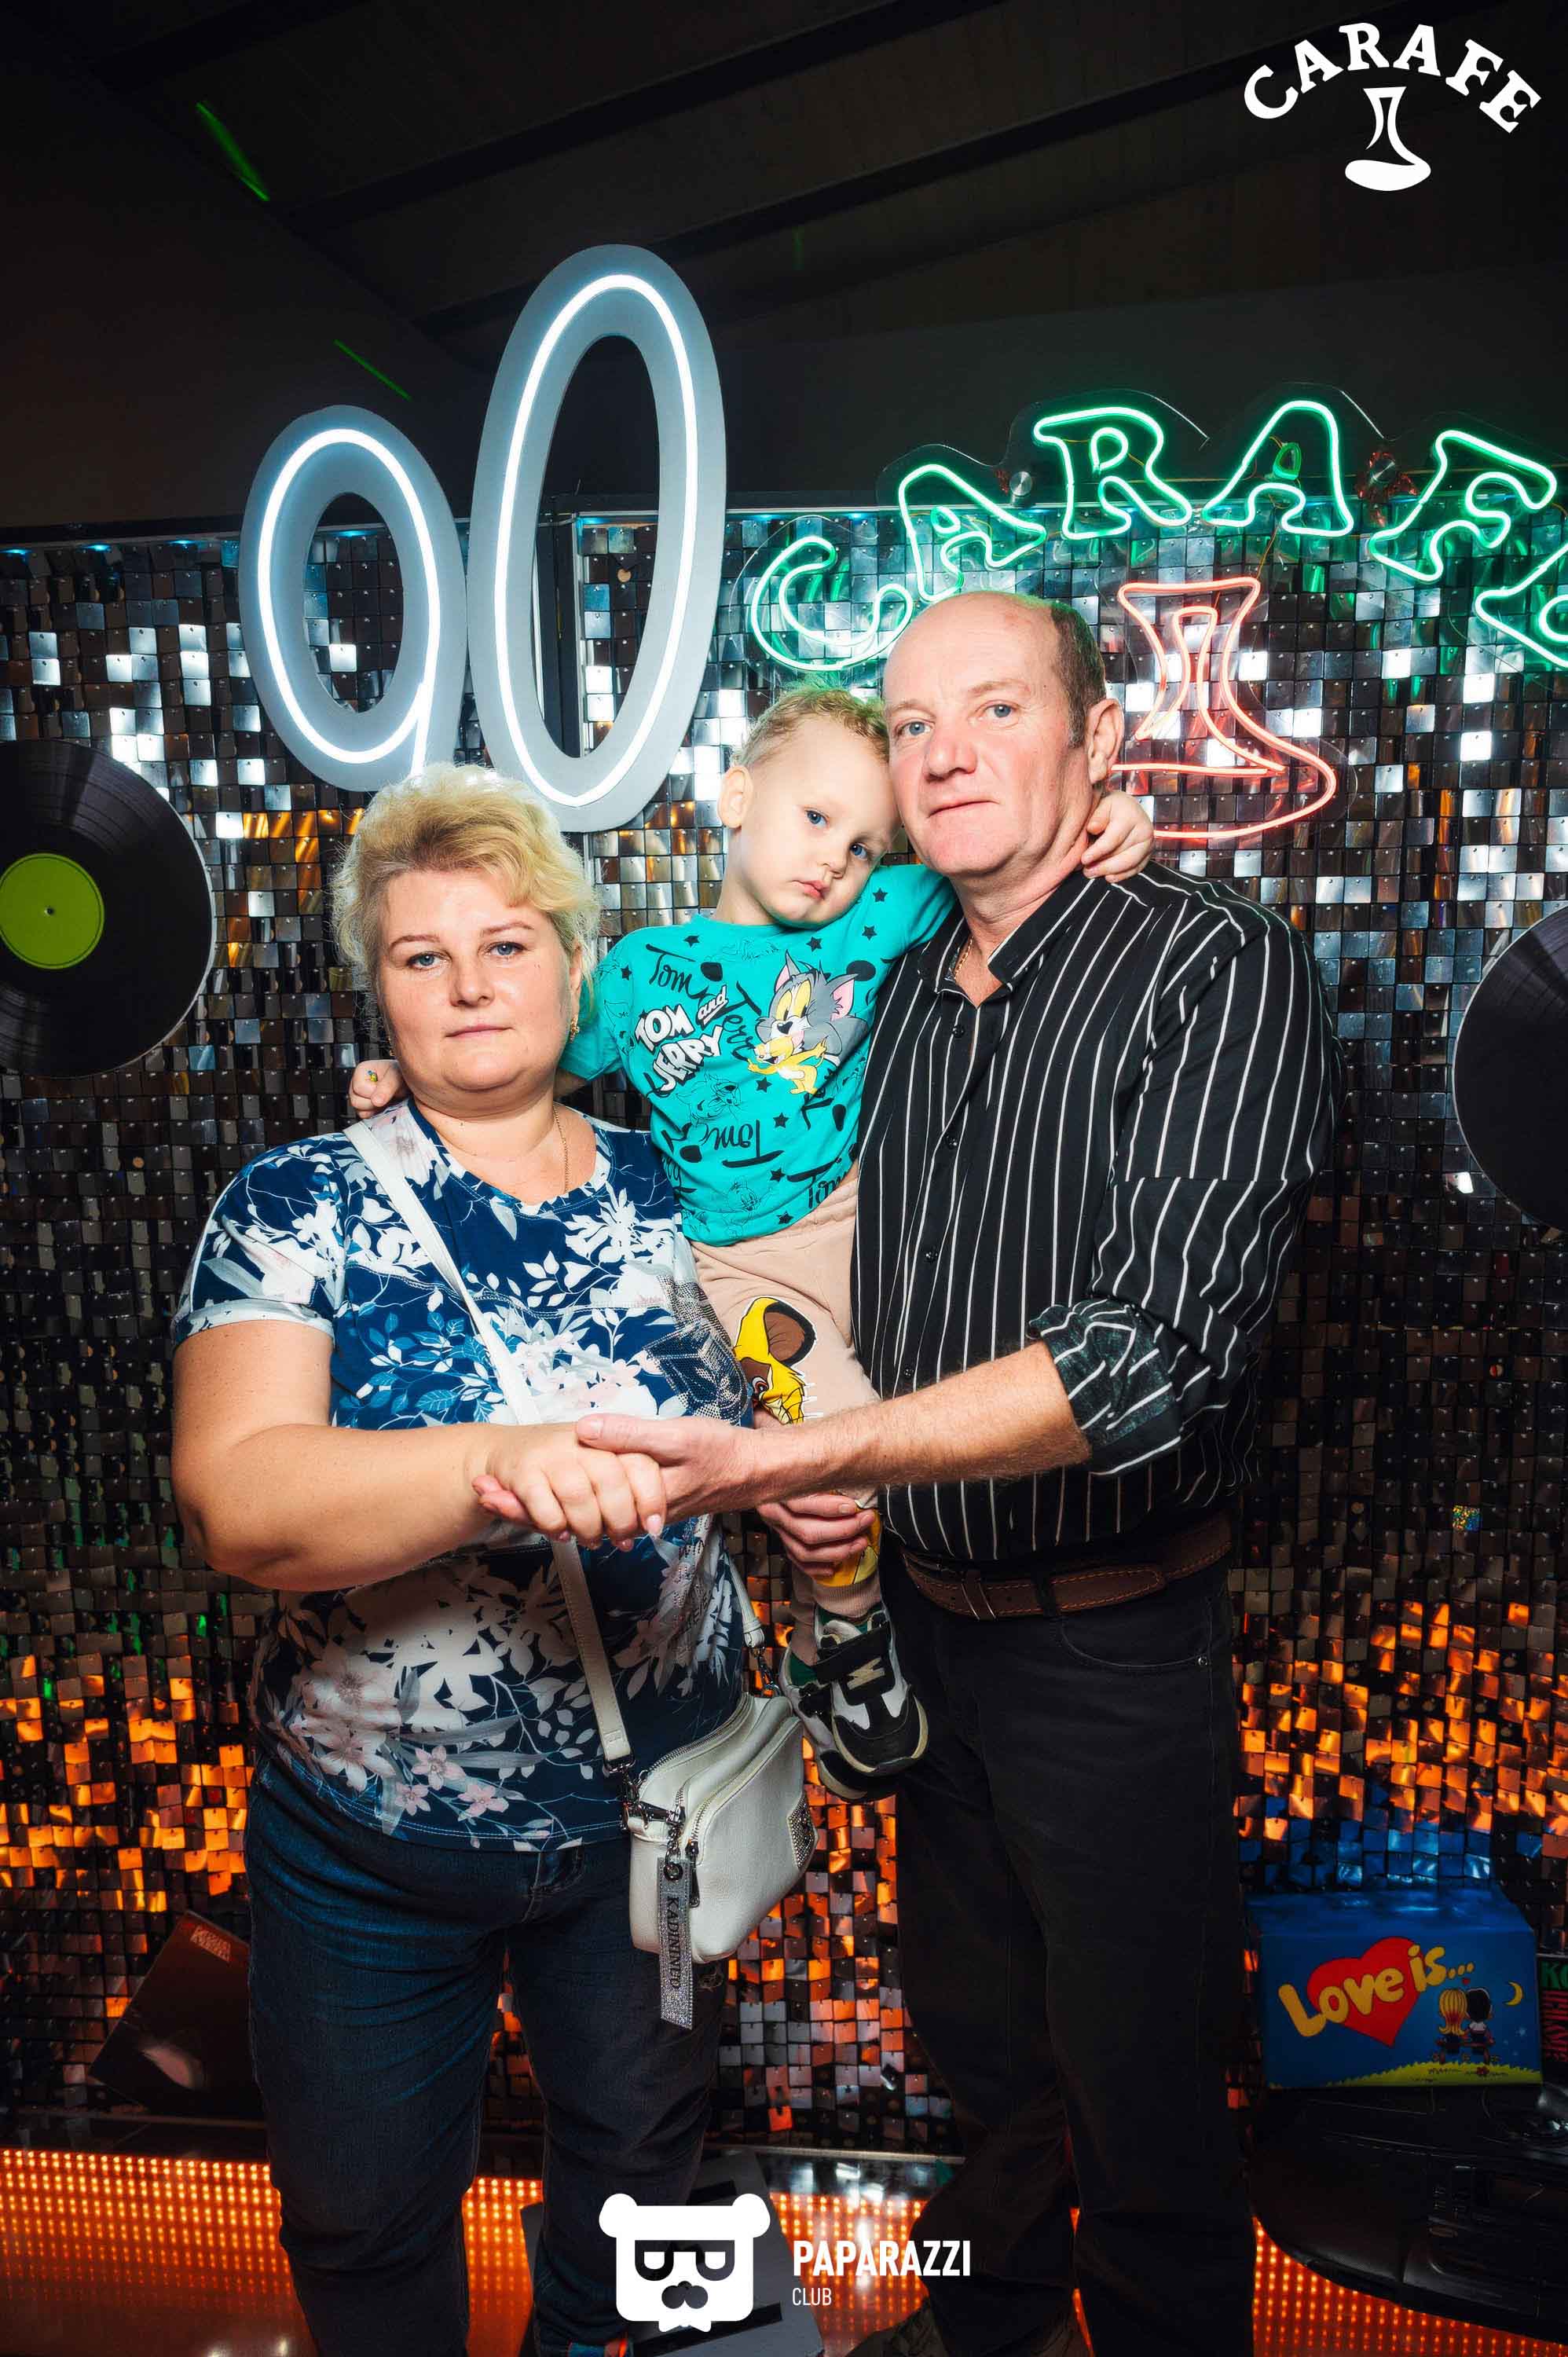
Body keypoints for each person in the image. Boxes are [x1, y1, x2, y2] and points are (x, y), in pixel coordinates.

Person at [551, 592, 1343, 2357]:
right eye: (914, 724)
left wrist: (801, 1451)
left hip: (1109, 1640)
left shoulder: (1211, 964)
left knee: (1143, 2087)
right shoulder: (880, 978)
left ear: (1095, 740)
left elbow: (1156, 1352)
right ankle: (985, 2329)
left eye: (997, 708)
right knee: (981, 2060)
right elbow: (671, 1111)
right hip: (922, 1619)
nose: (947, 751)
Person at [170, 763, 769, 2357]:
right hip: (365, 1847)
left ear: (577, 966)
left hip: (649, 1833)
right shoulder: (297, 1206)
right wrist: (496, 1465)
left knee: (638, 2187)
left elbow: (798, 1391)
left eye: (506, 944)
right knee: (362, 2219)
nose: (469, 984)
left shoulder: (695, 1193)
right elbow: (239, 1502)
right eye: (422, 955)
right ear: (379, 991)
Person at [350, 684, 1156, 1801]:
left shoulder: (887, 913)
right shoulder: (639, 972)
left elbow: (1013, 863)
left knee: (970, 1422)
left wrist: (1107, 822)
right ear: (736, 796)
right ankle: (846, 1638)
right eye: (816, 818)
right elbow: (520, 1059)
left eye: (865, 843)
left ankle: (890, 1629)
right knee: (836, 1471)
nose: (836, 860)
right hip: (745, 1265)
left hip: (878, 1226)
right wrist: (401, 1079)